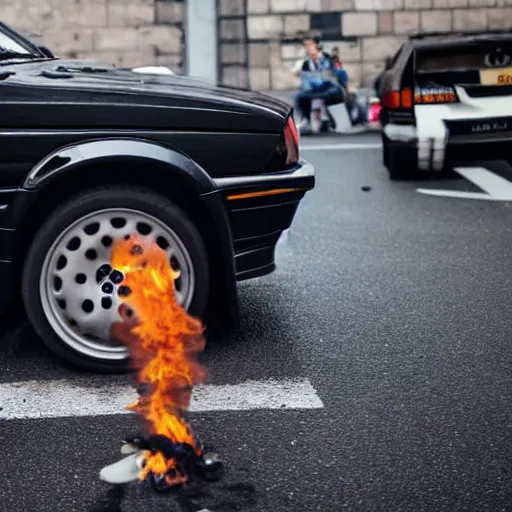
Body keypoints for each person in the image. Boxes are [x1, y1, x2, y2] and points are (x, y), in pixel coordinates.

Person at [294, 34, 344, 135]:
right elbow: (306, 82)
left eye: (310, 44)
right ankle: (306, 121)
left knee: (334, 93)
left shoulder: (327, 58)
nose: (308, 48)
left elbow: (330, 76)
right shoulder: (306, 64)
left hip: (329, 88)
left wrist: (319, 65)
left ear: (316, 45)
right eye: (306, 45)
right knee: (301, 96)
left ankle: (330, 120)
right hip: (315, 89)